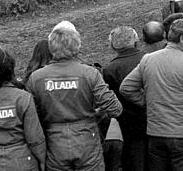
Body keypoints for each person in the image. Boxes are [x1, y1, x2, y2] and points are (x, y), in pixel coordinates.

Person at [27, 21, 122, 170]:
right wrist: (96, 113)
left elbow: (32, 115)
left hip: (54, 141)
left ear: (51, 47)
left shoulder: (36, 77)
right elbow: (115, 109)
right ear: (77, 46)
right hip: (87, 139)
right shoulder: (90, 73)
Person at [119, 18, 183, 170]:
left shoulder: (148, 60)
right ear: (182, 38)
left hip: (156, 134)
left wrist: (145, 100)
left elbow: (127, 88)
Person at [102, 26, 148, 171]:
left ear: (113, 45)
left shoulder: (110, 69)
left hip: (129, 125)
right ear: (135, 40)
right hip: (157, 117)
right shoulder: (150, 58)